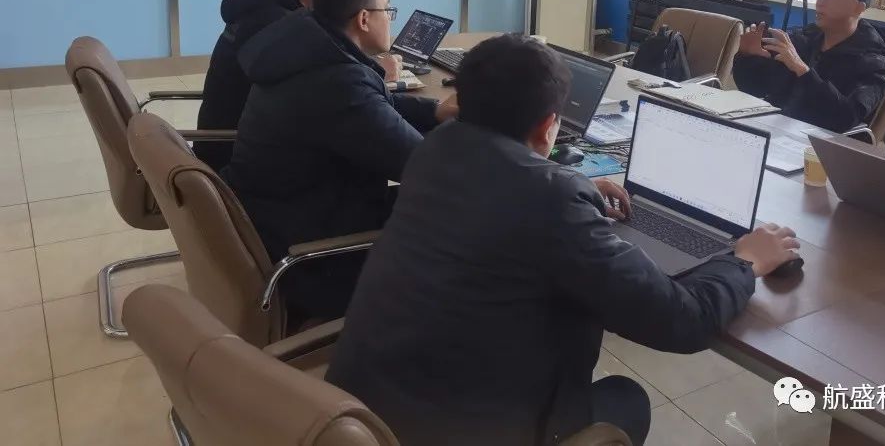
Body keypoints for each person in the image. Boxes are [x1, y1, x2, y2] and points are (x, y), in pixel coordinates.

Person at [325, 34, 800, 446]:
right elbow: (682, 321)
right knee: (626, 399)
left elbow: (502, 187)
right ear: (547, 125)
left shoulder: (434, 151)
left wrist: (566, 184)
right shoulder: (550, 200)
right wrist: (744, 261)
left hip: (360, 413)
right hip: (459, 429)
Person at [223, 0, 457, 322]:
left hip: (280, 215)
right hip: (316, 255)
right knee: (458, 208)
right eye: (387, 10)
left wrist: (437, 111)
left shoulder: (307, 49)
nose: (390, 19)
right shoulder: (337, 81)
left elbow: (375, 105)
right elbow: (423, 167)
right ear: (363, 19)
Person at [194, 0, 333, 171]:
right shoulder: (273, 22)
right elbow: (321, 84)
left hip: (235, 140)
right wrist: (377, 72)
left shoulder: (261, 2)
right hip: (237, 155)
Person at [732, 0, 885, 132]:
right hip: (775, 127)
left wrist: (803, 70)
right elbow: (754, 89)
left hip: (816, 142)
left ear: (858, 8)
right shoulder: (803, 40)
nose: (820, 3)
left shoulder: (874, 65)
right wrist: (748, 57)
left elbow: (845, 118)